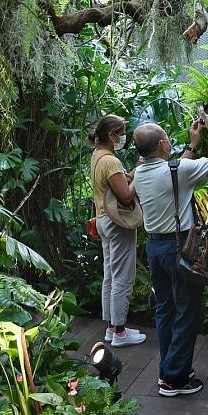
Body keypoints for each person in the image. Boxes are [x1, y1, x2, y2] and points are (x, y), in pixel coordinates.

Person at [132, 112, 208, 397]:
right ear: (161, 145)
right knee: (187, 310)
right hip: (179, 247)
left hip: (155, 248)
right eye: (167, 139)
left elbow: (175, 170)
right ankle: (174, 379)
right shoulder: (175, 170)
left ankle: (170, 368)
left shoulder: (139, 174)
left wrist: (193, 145)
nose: (170, 142)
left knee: (166, 308)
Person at [89, 115, 146, 348]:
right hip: (117, 222)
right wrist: (140, 174)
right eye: (121, 133)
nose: (123, 137)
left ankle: (112, 328)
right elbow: (125, 195)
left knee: (110, 275)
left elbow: (117, 183)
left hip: (102, 220)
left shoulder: (97, 156)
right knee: (122, 276)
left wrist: (132, 172)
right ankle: (120, 331)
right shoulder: (111, 161)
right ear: (112, 136)